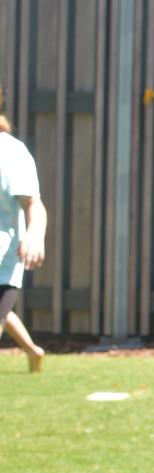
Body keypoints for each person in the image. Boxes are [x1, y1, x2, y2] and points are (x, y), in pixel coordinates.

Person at [0, 81, 48, 373]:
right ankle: (33, 351)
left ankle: (33, 351)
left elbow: (34, 204)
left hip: (3, 265)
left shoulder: (11, 153)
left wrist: (35, 235)